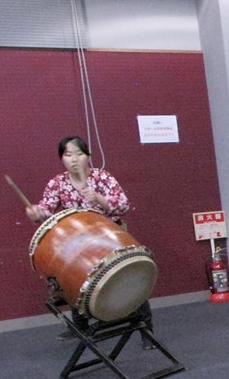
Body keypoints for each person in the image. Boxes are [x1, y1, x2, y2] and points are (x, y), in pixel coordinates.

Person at [24, 135, 143, 332]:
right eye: (68, 155)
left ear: (87, 156)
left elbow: (123, 204)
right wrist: (37, 212)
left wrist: (99, 198)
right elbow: (46, 210)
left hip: (109, 239)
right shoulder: (58, 183)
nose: (73, 159)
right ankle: (80, 327)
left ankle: (144, 326)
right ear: (62, 158)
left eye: (79, 154)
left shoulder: (102, 178)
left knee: (128, 273)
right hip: (78, 243)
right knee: (70, 273)